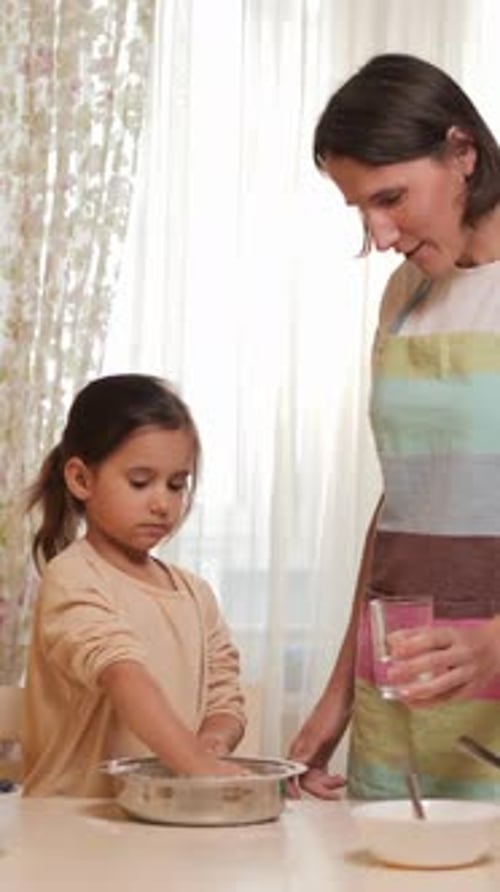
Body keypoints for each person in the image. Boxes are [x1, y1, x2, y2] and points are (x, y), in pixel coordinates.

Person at [289, 53, 500, 802]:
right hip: (403, 705)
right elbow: (403, 504)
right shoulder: (404, 298)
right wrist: (338, 695)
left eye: (391, 198)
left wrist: (494, 642)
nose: (379, 234)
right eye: (360, 210)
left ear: (462, 153)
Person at [23, 373, 247, 796]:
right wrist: (198, 766)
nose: (163, 503)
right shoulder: (73, 577)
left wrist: (211, 743)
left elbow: (224, 698)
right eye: (140, 482)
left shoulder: (195, 594)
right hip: (69, 828)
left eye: (177, 484)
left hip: (157, 821)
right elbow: (123, 675)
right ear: (81, 480)